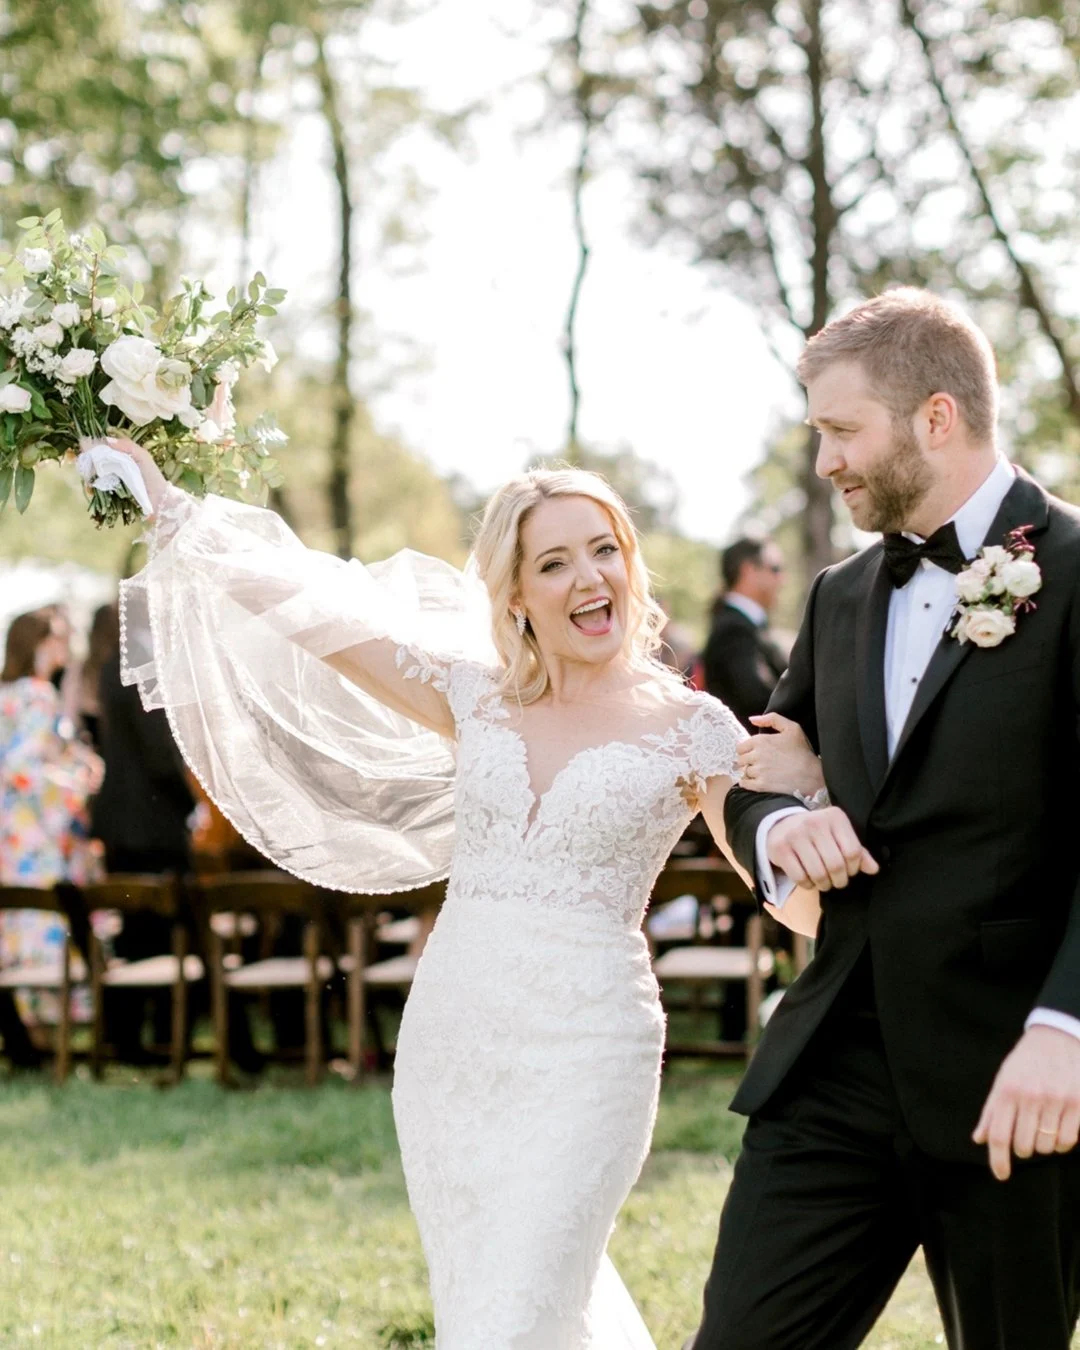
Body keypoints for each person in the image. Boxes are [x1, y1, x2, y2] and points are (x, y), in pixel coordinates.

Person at [106, 434, 817, 1349]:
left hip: (588, 1049)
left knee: (526, 1301)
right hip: (452, 1042)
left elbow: (784, 887)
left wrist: (810, 805)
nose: (589, 578)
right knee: (491, 1300)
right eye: (553, 562)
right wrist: (176, 515)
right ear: (515, 594)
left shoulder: (695, 727)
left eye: (604, 550)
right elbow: (314, 615)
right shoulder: (475, 697)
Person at [690, 288, 1080, 1350]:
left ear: (936, 419)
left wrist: (1065, 1031)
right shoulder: (839, 596)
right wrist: (778, 826)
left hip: (1014, 1075)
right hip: (835, 1065)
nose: (825, 462)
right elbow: (758, 758)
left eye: (841, 430)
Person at [90, 603, 196, 1062]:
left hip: (120, 821)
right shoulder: (141, 668)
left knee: (134, 933)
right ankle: (160, 1038)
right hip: (153, 823)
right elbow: (158, 755)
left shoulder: (111, 667)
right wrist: (191, 804)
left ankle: (126, 1037)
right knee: (170, 931)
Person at [0, 609, 102, 1066]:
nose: (65, 649)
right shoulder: (39, 695)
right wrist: (77, 782)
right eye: (59, 638)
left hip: (8, 832)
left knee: (18, 926)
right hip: (34, 834)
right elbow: (21, 769)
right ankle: (47, 1037)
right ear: (38, 642)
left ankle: (28, 1037)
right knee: (44, 925)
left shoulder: (6, 694)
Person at [702, 537, 787, 730]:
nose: (782, 579)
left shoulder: (748, 626)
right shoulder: (733, 630)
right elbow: (759, 700)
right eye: (775, 569)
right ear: (748, 570)